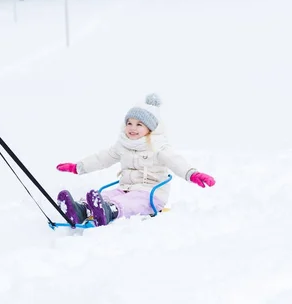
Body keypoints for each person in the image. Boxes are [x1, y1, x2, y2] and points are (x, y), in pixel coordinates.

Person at [55, 94, 215, 227]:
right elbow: (102, 158)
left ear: (150, 129)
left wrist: (193, 174)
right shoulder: (123, 145)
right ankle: (79, 210)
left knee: (132, 202)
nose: (132, 128)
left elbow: (175, 161)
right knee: (108, 195)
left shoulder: (158, 147)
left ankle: (108, 212)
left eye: (139, 124)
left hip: (151, 195)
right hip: (126, 189)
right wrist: (78, 167)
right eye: (129, 123)